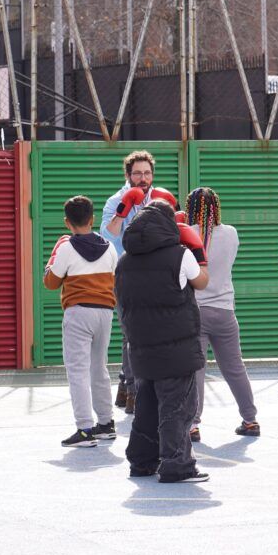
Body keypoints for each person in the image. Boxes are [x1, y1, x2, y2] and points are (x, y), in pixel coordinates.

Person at [116, 200, 211, 483]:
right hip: (176, 347)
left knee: (145, 407)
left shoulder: (124, 261)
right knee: (178, 407)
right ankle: (177, 465)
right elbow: (202, 281)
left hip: (140, 346)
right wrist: (198, 253)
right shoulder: (180, 255)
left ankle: (142, 462)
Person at [100, 150, 178, 414]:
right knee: (131, 333)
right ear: (128, 175)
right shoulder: (115, 200)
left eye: (147, 173)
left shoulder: (161, 199)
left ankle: (127, 383)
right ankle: (134, 390)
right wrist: (123, 210)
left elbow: (176, 232)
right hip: (127, 275)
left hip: (158, 274)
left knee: (154, 331)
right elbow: (107, 236)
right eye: (137, 174)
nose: (143, 179)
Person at [183, 187, 259, 443]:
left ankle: (193, 424)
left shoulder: (186, 234)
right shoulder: (231, 233)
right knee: (235, 367)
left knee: (196, 370)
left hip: (195, 310)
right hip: (225, 309)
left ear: (191, 208)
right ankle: (250, 419)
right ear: (216, 207)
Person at [43, 196, 119, 447]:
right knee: (99, 368)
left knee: (77, 371)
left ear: (67, 222)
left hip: (78, 312)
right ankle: (106, 423)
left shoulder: (66, 247)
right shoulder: (109, 247)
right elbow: (114, 279)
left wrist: (51, 262)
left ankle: (85, 429)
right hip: (105, 312)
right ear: (92, 219)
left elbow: (51, 283)